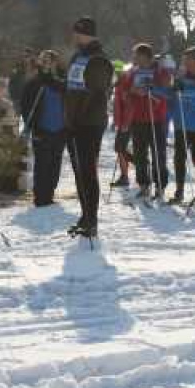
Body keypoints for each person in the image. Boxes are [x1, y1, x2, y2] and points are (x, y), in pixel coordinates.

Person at [63, 17, 115, 237]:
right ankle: (84, 215)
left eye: (78, 33)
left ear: (88, 34)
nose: (75, 37)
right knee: (79, 172)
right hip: (74, 122)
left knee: (88, 172)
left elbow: (95, 93)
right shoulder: (77, 57)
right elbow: (71, 87)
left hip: (89, 123)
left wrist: (78, 119)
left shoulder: (98, 59)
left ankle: (91, 219)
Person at [120, 43, 172, 200]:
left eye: (136, 55)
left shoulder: (160, 71)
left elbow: (168, 91)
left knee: (159, 154)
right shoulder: (133, 72)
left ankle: (160, 186)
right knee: (140, 153)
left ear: (145, 56)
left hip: (156, 118)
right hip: (138, 118)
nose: (134, 58)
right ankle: (143, 185)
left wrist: (151, 90)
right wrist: (132, 91)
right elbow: (125, 91)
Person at [20, 49, 66, 207]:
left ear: (55, 63)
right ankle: (40, 196)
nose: (46, 63)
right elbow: (25, 106)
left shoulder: (61, 82)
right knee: (42, 163)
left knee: (55, 162)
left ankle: (50, 192)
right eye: (43, 60)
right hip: (42, 129)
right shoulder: (34, 83)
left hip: (60, 129)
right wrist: (29, 124)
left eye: (50, 60)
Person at [171, 47, 195, 206]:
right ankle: (179, 192)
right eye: (184, 61)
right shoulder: (182, 77)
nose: (186, 64)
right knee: (179, 158)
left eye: (189, 61)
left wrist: (184, 90)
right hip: (181, 123)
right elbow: (174, 95)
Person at [110, 58, 132, 187]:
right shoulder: (118, 84)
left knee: (119, 148)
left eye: (117, 72)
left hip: (127, 122)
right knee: (119, 148)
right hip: (122, 122)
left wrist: (125, 123)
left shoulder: (124, 83)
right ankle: (126, 175)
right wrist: (115, 121)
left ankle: (141, 165)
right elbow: (117, 106)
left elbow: (129, 105)